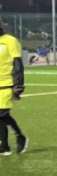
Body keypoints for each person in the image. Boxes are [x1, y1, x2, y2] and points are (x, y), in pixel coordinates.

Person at [0, 19, 28, 155]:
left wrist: (18, 84)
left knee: (1, 114)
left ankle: (20, 136)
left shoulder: (10, 41)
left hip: (7, 84)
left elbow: (17, 64)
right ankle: (4, 147)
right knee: (1, 117)